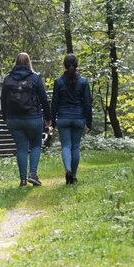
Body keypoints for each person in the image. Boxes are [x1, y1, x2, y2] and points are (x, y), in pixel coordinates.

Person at [0, 52, 51, 186]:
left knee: (21, 148)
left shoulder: (7, 78)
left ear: (15, 63)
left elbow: (3, 101)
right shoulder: (35, 78)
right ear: (29, 63)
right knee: (35, 145)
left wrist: (6, 117)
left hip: (14, 119)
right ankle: (32, 175)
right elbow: (44, 100)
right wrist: (48, 118)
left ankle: (23, 180)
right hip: (33, 118)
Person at [50, 53, 92, 184]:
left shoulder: (58, 82)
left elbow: (54, 102)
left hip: (63, 118)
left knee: (66, 146)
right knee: (75, 147)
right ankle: (73, 175)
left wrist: (53, 120)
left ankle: (67, 169)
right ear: (77, 65)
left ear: (64, 65)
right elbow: (87, 103)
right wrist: (88, 122)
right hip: (78, 118)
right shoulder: (83, 82)